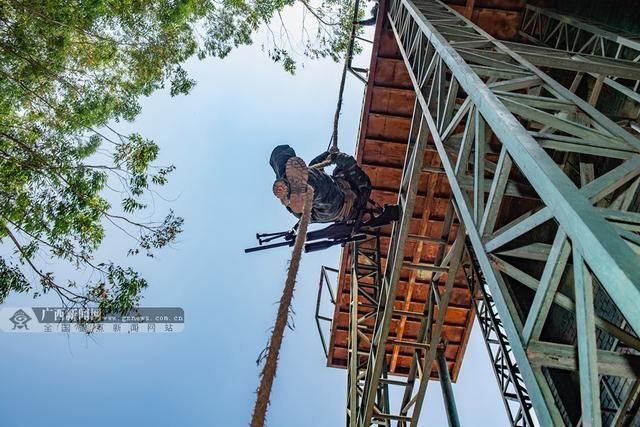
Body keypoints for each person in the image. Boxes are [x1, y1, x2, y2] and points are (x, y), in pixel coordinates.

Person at [269, 145, 372, 224]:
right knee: (285, 158)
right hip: (316, 210)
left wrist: (333, 156)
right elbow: (314, 165)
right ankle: (288, 183)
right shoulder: (357, 188)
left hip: (333, 206)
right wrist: (327, 154)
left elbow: (349, 162)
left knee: (318, 182)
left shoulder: (363, 189)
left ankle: (295, 190)